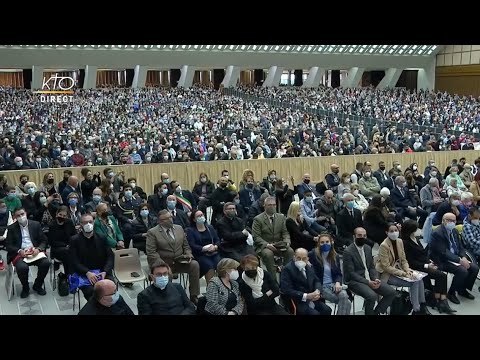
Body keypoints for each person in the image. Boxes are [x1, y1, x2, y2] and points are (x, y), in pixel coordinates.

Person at [146, 209, 200, 304]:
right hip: (163, 263)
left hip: (180, 261)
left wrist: (188, 254)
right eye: (167, 219)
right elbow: (151, 252)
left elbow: (186, 245)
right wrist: (163, 265)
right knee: (166, 273)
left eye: (171, 217)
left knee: (194, 265)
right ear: (160, 221)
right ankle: (170, 298)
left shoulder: (179, 228)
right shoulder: (152, 232)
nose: (170, 220)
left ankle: (194, 295)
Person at [401, 220, 455, 314]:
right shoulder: (405, 242)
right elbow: (410, 261)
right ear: (411, 230)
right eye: (416, 229)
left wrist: (429, 262)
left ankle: (441, 300)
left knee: (442, 275)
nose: (419, 230)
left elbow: (423, 254)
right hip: (415, 267)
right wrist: (426, 265)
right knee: (441, 276)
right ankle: (440, 301)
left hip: (424, 264)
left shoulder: (416, 239)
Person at [376, 223, 429, 315]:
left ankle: (421, 305)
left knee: (419, 279)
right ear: (386, 232)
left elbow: (403, 260)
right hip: (387, 274)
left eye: (396, 230)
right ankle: (416, 309)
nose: (394, 233)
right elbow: (386, 267)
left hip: (399, 269)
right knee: (414, 282)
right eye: (391, 231)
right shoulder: (383, 246)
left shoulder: (400, 241)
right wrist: (403, 273)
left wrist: (407, 270)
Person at [342, 227, 396, 315]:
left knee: (391, 292)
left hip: (370, 278)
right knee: (372, 296)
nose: (362, 237)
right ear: (354, 237)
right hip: (354, 281)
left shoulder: (367, 248)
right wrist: (368, 282)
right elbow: (351, 273)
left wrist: (375, 278)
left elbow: (371, 267)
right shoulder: (348, 251)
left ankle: (376, 313)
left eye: (364, 236)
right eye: (359, 235)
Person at [430, 212, 479, 304]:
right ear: (443, 221)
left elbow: (460, 247)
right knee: (462, 271)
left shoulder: (454, 231)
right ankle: (451, 293)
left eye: (453, 220)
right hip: (441, 259)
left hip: (456, 257)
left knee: (475, 268)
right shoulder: (437, 233)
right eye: (449, 220)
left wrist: (463, 257)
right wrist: (460, 260)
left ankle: (462, 289)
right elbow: (443, 252)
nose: (452, 222)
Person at [5, 207, 51, 298]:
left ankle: (37, 285)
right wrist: (19, 251)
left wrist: (38, 249)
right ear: (15, 217)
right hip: (20, 253)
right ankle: (25, 287)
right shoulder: (11, 228)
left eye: (22, 214)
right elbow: (9, 245)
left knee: (46, 263)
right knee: (22, 268)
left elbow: (44, 241)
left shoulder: (35, 224)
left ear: (26, 213)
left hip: (35, 252)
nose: (21, 217)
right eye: (18, 215)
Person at [70, 214, 115, 301]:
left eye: (90, 222)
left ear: (93, 223)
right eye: (85, 222)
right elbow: (74, 261)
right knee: (91, 293)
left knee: (109, 289)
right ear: (80, 224)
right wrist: (87, 273)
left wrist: (105, 271)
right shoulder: (74, 240)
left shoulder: (102, 237)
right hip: (85, 274)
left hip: (102, 272)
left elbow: (110, 256)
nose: (88, 224)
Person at [308, 233, 351, 315]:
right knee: (347, 302)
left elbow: (338, 273)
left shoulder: (335, 256)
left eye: (327, 242)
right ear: (318, 244)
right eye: (322, 242)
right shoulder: (312, 255)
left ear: (331, 242)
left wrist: (338, 282)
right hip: (320, 286)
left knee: (344, 296)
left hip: (333, 285)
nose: (325, 244)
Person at [279, 248, 332, 315]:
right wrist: (306, 296)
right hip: (297, 301)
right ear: (294, 257)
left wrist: (317, 292)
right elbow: (286, 290)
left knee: (327, 310)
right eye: (298, 258)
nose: (301, 261)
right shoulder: (287, 269)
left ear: (307, 259)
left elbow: (316, 281)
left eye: (304, 258)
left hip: (312, 298)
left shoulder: (308, 267)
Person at [252, 196, 294, 278]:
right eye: (269, 205)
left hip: (278, 244)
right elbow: (256, 237)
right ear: (264, 206)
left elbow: (285, 233)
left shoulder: (281, 217)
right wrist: (267, 245)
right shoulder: (258, 219)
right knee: (268, 254)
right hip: (264, 246)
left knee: (290, 251)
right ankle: (273, 278)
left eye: (274, 205)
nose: (272, 207)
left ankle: (285, 274)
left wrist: (287, 241)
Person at [185, 210, 221, 283]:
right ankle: (210, 289)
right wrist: (204, 248)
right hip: (200, 254)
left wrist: (215, 246)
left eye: (202, 215)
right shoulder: (190, 230)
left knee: (221, 264)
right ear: (194, 219)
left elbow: (217, 240)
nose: (201, 217)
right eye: (198, 216)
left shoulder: (210, 228)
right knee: (209, 266)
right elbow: (192, 245)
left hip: (213, 253)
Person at [48, 205, 77, 275]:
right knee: (68, 254)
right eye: (60, 214)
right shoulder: (52, 225)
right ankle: (69, 275)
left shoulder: (69, 222)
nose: (62, 217)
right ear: (56, 214)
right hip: (57, 249)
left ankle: (72, 274)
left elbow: (74, 235)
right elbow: (51, 241)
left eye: (64, 216)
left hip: (69, 247)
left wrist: (70, 244)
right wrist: (66, 245)